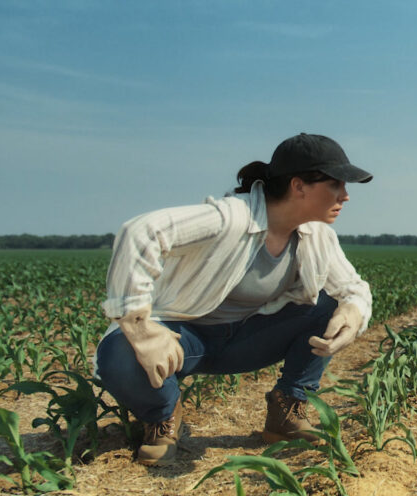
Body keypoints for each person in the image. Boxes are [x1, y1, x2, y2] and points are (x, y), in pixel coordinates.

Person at [95, 133, 374, 466]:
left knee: (330, 305)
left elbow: (353, 287)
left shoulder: (316, 236)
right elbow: (140, 231)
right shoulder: (232, 217)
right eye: (336, 185)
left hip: (246, 340)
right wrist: (140, 328)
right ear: (299, 186)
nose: (345, 196)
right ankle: (163, 416)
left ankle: (287, 412)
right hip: (183, 340)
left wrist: (354, 311)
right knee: (118, 353)